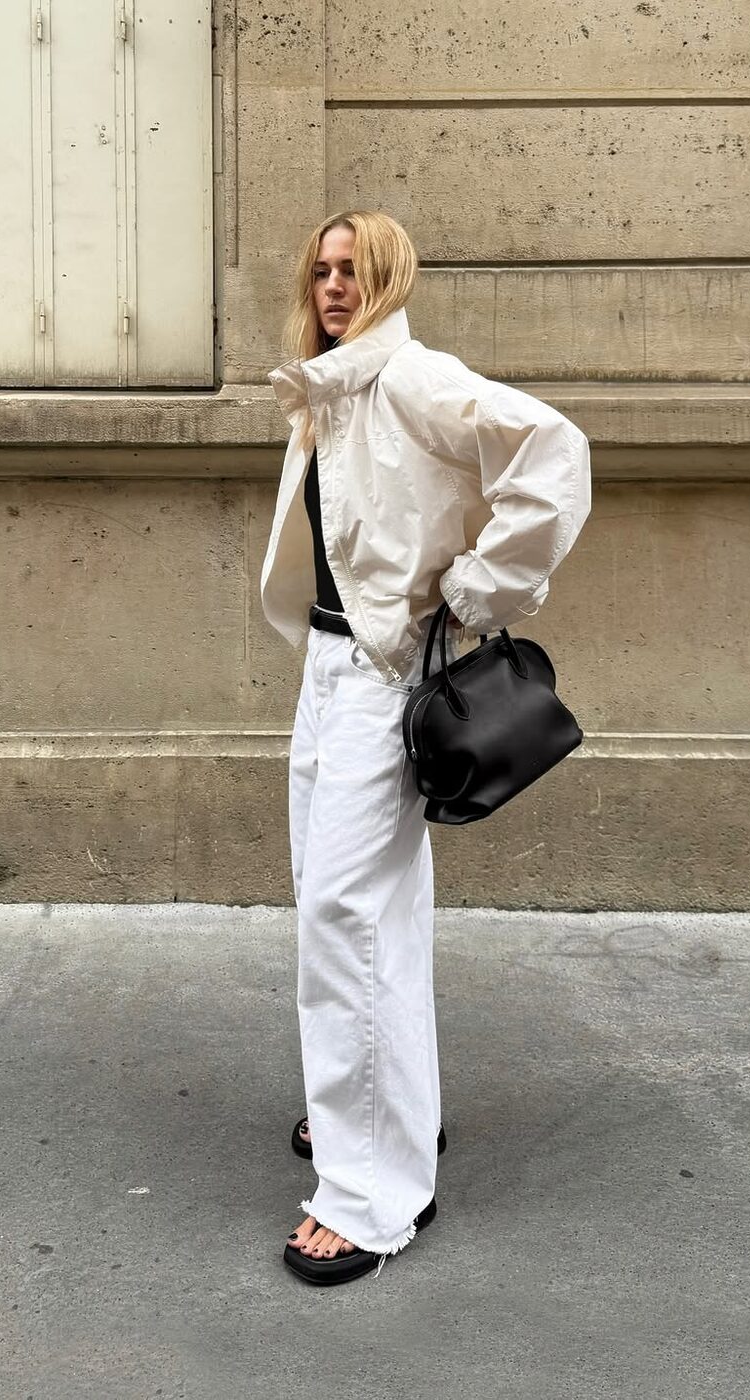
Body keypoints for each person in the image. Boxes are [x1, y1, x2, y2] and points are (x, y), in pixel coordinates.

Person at [260, 210, 591, 1285]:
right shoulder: (333, 386)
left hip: (379, 675)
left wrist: (477, 591)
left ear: (391, 277)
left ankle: (370, 1195)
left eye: (354, 269)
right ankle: (376, 1111)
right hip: (326, 670)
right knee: (360, 906)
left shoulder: (410, 378)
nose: (334, 286)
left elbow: (553, 451)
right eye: (322, 269)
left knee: (345, 916)